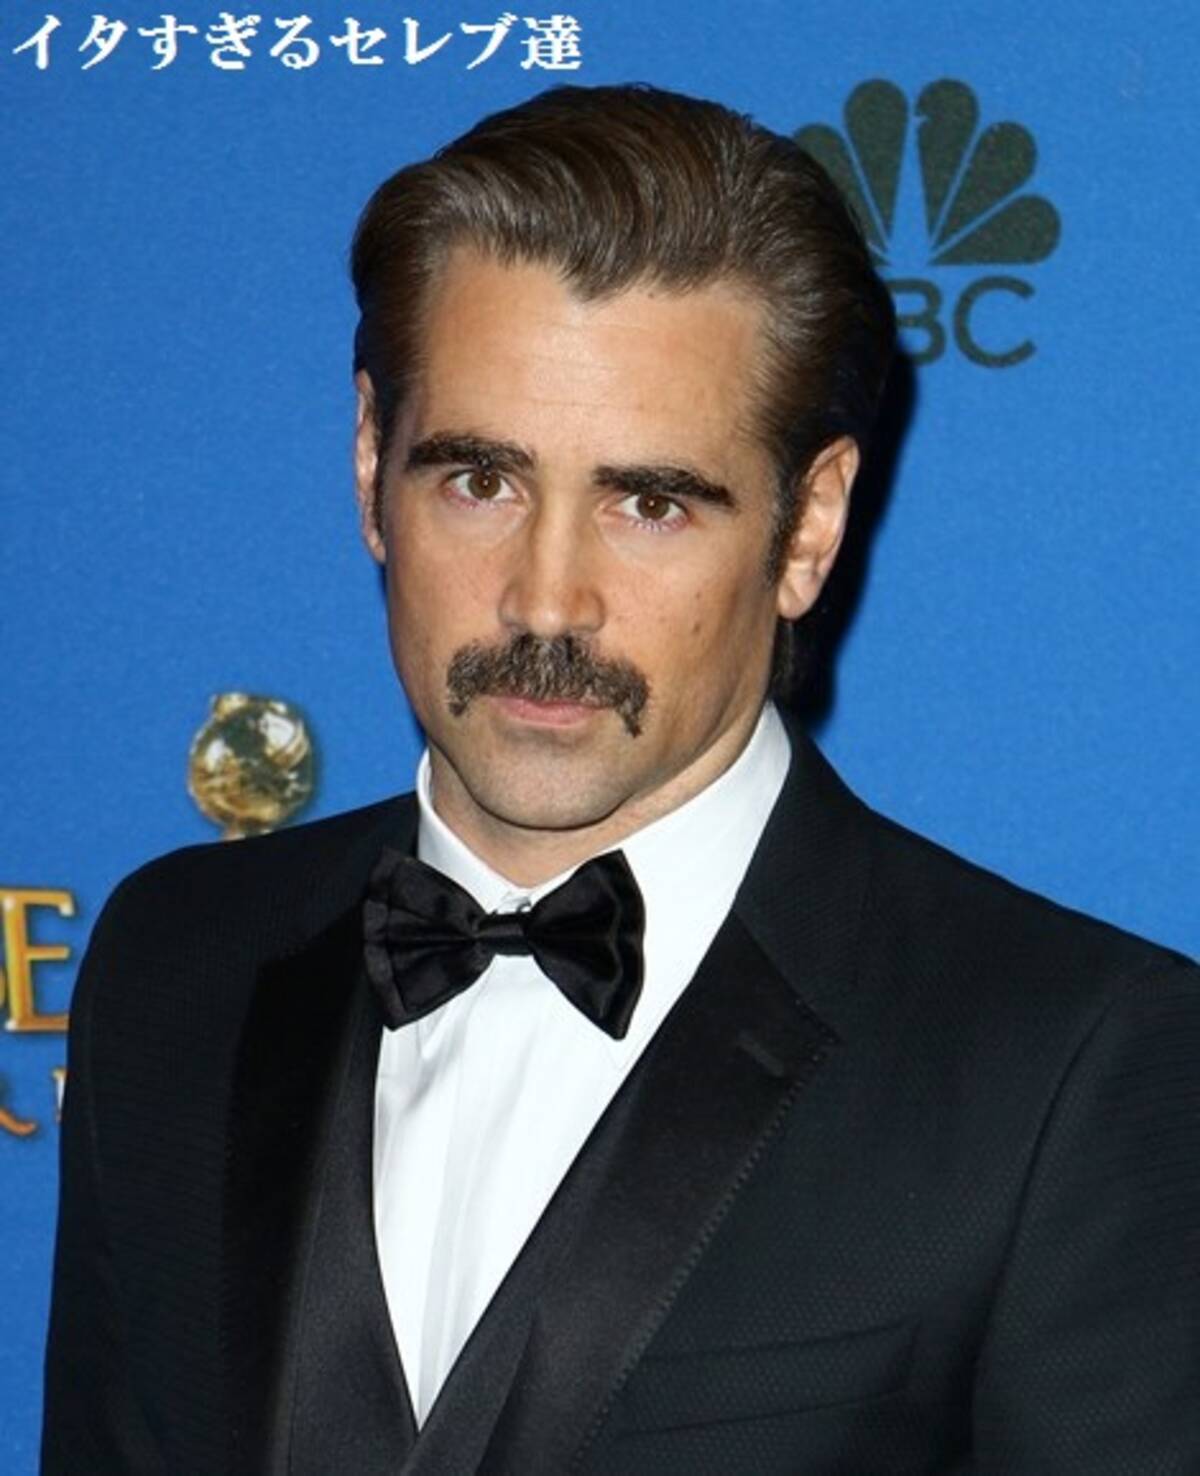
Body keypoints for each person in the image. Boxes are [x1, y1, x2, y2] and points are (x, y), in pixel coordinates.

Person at [43, 84, 1198, 1475]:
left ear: (807, 526)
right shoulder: (175, 962)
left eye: (650, 503)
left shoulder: (1068, 1069)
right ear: (368, 462)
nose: (547, 601)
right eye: (479, 481)